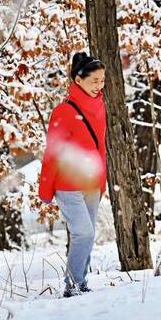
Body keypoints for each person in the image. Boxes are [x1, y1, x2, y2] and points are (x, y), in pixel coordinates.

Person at [39, 52, 107, 297]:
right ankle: (73, 285)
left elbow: (100, 146)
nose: (99, 86)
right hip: (67, 185)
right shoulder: (63, 111)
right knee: (83, 232)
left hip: (91, 184)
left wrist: (102, 179)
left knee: (87, 235)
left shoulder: (100, 106)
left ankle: (81, 282)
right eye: (94, 81)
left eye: (102, 80)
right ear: (78, 80)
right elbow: (52, 153)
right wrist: (45, 190)